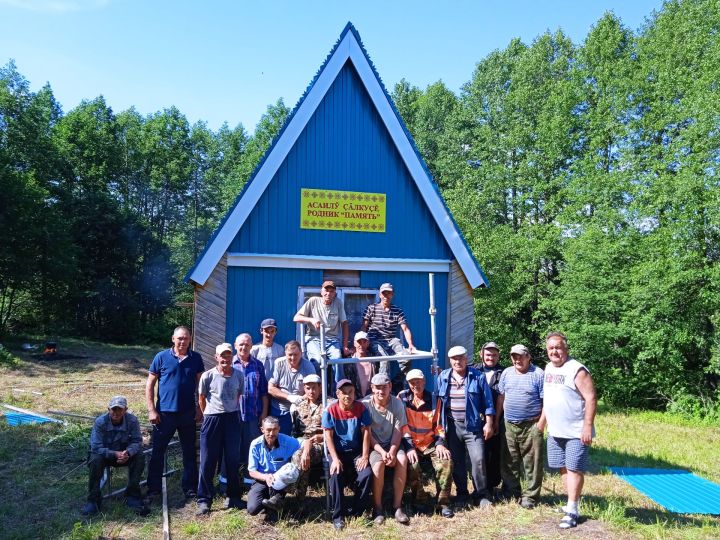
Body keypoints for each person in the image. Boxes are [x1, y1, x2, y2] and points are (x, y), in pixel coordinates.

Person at [538, 332, 597, 529]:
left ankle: (573, 510)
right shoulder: (547, 368)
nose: (554, 351)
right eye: (551, 348)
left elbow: (591, 398)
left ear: (566, 349)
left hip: (575, 431)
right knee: (562, 466)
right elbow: (549, 398)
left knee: (574, 467)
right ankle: (570, 503)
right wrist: (542, 422)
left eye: (558, 347)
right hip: (556, 431)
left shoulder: (577, 369)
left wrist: (587, 426)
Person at [145, 326, 205, 500]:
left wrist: (200, 408)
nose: (182, 341)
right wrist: (151, 410)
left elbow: (201, 387)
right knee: (157, 452)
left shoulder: (196, 359)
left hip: (187, 414)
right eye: (179, 338)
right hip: (164, 415)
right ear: (173, 339)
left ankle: (190, 487)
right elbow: (150, 385)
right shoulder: (161, 357)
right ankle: (153, 488)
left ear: (190, 339)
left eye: (185, 338)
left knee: (189, 452)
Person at [436, 345, 495, 509]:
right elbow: (439, 405)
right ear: (450, 361)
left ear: (466, 358)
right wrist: (440, 431)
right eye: (454, 358)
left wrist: (489, 423)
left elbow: (488, 403)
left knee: (478, 459)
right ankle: (462, 494)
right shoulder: (443, 377)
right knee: (457, 461)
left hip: (473, 426)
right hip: (452, 426)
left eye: (461, 357)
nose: (458, 361)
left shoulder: (478, 376)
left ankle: (481, 494)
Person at [196, 343, 245, 515]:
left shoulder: (239, 375)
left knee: (232, 459)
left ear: (232, 357)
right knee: (208, 460)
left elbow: (238, 396)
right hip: (212, 419)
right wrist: (209, 414)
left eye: (228, 355)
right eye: (222, 356)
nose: (225, 359)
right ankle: (204, 499)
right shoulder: (208, 376)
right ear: (216, 357)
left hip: (232, 418)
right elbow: (201, 398)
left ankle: (233, 497)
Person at [398, 369, 454, 518]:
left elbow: (439, 425)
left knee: (446, 461)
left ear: (424, 381)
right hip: (411, 443)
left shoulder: (435, 399)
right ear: (408, 384)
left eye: (419, 381)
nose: (416, 385)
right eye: (412, 382)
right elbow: (401, 426)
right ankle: (419, 500)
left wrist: (440, 443)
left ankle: (443, 502)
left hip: (430, 443)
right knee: (412, 465)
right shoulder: (402, 398)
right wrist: (409, 447)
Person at [496, 344, 544, 510]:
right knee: (509, 461)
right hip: (509, 424)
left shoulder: (538, 374)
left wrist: (541, 424)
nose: (517, 359)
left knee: (533, 463)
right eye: (514, 356)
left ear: (528, 356)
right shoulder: (507, 373)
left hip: (531, 425)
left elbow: (547, 401)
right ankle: (511, 491)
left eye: (521, 356)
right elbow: (501, 398)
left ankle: (531, 496)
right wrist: (496, 420)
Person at [322, 379, 373, 530]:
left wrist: (364, 456)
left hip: (356, 452)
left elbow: (366, 434)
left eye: (350, 392)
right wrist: (335, 459)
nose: (347, 396)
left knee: (366, 474)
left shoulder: (361, 408)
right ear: (338, 394)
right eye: (344, 392)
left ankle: (357, 511)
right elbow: (328, 437)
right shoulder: (330, 411)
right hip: (337, 452)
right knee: (335, 473)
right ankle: (338, 516)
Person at [81, 396, 145, 516]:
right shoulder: (100, 422)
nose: (116, 413)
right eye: (113, 409)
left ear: (125, 410)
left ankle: (133, 495)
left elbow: (137, 441)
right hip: (105, 455)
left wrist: (128, 452)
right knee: (95, 459)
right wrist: (114, 454)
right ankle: (93, 500)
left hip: (124, 454)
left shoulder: (132, 421)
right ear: (108, 409)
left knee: (139, 456)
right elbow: (95, 446)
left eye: (119, 409)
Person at [363, 372, 410, 525]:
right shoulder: (366, 406)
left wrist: (392, 451)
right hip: (375, 446)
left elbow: (398, 431)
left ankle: (397, 506)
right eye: (377, 388)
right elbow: (368, 435)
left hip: (392, 444)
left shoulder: (397, 404)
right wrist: (383, 453)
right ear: (372, 388)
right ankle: (377, 508)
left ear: (390, 387)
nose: (381, 391)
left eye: (384, 387)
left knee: (402, 460)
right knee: (377, 466)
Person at [361, 283, 416, 389]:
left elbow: (405, 328)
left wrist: (411, 345)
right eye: (384, 293)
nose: (386, 295)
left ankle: (395, 382)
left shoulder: (397, 311)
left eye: (389, 293)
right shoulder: (371, 308)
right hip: (374, 340)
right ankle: (383, 387)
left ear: (392, 295)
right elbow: (364, 326)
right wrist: (360, 343)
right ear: (380, 295)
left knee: (407, 358)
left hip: (391, 340)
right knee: (384, 359)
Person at [293, 280, 350, 383]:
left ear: (335, 293)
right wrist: (311, 319)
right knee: (317, 361)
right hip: (314, 339)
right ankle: (317, 391)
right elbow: (296, 318)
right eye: (326, 290)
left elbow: (344, 324)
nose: (328, 293)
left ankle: (338, 390)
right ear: (321, 292)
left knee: (337, 359)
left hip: (332, 340)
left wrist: (345, 346)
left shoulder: (338, 303)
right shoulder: (313, 301)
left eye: (331, 291)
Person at [230, 332, 268, 483]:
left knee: (251, 449)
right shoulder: (229, 364)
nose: (244, 347)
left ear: (252, 346)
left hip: (253, 415)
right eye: (241, 344)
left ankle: (249, 481)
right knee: (232, 448)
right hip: (233, 415)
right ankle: (230, 482)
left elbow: (264, 392)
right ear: (235, 346)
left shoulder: (258, 365)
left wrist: (264, 414)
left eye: (247, 344)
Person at [247, 416, 301, 516]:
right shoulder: (255, 445)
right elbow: (252, 471)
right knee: (252, 509)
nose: (272, 433)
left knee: (296, 464)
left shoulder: (287, 441)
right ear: (262, 430)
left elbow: (303, 442)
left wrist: (306, 449)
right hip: (262, 478)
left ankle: (279, 500)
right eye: (268, 430)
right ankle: (269, 499)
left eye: (275, 429)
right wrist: (266, 477)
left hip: (281, 479)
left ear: (279, 429)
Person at [268, 340, 318, 435]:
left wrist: (301, 400)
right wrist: (289, 397)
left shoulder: (308, 366)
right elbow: (270, 388)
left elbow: (315, 389)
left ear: (301, 353)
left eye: (296, 354)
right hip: (279, 409)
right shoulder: (279, 363)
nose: (293, 358)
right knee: (279, 439)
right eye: (290, 355)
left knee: (299, 439)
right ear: (285, 354)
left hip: (301, 409)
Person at [289, 373, 324, 505]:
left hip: (320, 442)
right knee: (296, 454)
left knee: (300, 456)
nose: (311, 391)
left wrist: (323, 438)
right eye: (308, 388)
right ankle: (300, 502)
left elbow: (334, 430)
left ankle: (287, 492)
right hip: (301, 442)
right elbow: (295, 432)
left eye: (314, 388)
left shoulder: (328, 404)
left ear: (320, 388)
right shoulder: (299, 406)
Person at [477, 341, 506, 498]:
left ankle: (493, 486)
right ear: (481, 354)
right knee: (479, 454)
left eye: (494, 355)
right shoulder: (473, 370)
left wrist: (496, 421)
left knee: (495, 453)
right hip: (477, 420)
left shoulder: (505, 372)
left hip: (498, 418)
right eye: (488, 354)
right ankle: (480, 486)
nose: (491, 357)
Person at [250, 318, 285, 383]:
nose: (269, 335)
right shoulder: (254, 350)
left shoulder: (280, 350)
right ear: (261, 331)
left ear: (275, 332)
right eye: (266, 331)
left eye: (272, 331)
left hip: (275, 386)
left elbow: (283, 370)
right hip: (259, 386)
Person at [343, 331, 375, 398]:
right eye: (359, 342)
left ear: (368, 343)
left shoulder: (374, 362)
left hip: (371, 399)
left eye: (364, 342)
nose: (362, 345)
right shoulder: (349, 363)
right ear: (354, 343)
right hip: (355, 400)